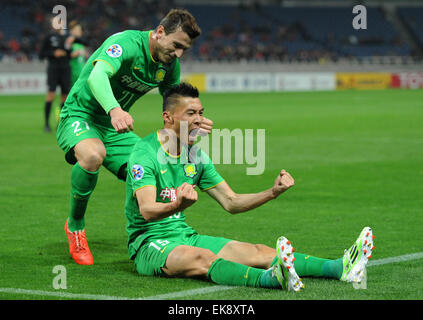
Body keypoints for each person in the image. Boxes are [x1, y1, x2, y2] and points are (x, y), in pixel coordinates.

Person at [124, 82, 375, 291]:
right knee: (202, 258)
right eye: (191, 114)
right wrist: (177, 204)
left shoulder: (195, 156)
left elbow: (231, 202)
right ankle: (271, 280)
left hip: (185, 236)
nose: (200, 120)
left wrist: (272, 192)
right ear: (168, 117)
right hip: (150, 243)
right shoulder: (144, 153)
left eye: (201, 113)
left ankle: (340, 267)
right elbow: (146, 210)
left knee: (258, 252)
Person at [57, 9, 212, 265]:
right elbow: (97, 76)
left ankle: (155, 237)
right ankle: (75, 227)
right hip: (80, 116)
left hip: (114, 128)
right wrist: (115, 109)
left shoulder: (169, 65)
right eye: (176, 45)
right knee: (93, 154)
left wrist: (191, 126)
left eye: (184, 49)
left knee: (154, 164)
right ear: (160, 32)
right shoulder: (125, 43)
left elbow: (174, 110)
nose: (178, 54)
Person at [39, 17, 73, 132]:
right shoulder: (48, 37)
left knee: (65, 98)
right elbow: (41, 54)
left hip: (65, 70)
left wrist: (69, 52)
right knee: (51, 95)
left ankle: (61, 123)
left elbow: (70, 54)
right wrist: (53, 53)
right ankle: (47, 124)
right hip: (53, 70)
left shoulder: (67, 38)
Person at [68, 20, 88, 88]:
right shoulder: (69, 41)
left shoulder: (81, 43)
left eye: (80, 29)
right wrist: (75, 53)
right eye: (77, 29)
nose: (80, 31)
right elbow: (66, 55)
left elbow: (84, 58)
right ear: (71, 31)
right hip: (73, 72)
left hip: (81, 71)